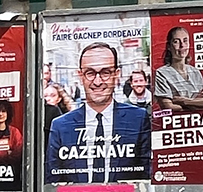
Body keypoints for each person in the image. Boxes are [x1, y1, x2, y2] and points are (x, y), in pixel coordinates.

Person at [46, 42, 151, 182]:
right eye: (90, 73)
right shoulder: (61, 126)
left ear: (116, 74)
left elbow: (145, 175)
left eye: (105, 73)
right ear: (80, 76)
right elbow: (52, 183)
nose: (97, 81)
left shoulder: (138, 119)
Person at [153, 24, 203, 113]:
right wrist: (196, 103)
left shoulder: (195, 72)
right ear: (169, 46)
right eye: (176, 41)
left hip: (198, 123)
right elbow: (167, 107)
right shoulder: (162, 73)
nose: (182, 45)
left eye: (185, 41)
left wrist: (182, 101)